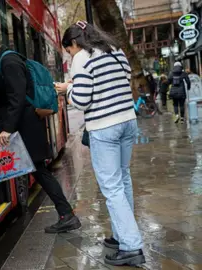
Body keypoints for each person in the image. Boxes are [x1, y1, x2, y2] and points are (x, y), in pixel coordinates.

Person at [0, 28, 81, 234]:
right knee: (39, 171)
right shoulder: (4, 61)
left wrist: (7, 129)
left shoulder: (9, 62)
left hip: (22, 125)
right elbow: (8, 95)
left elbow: (17, 98)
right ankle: (67, 215)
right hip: (24, 125)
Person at [55, 21, 145, 266]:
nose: (70, 55)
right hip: (127, 120)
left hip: (105, 127)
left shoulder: (82, 57)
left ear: (74, 43)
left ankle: (131, 246)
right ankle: (120, 234)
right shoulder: (115, 50)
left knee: (112, 187)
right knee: (123, 178)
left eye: (69, 50)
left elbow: (83, 100)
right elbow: (120, 81)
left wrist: (68, 91)